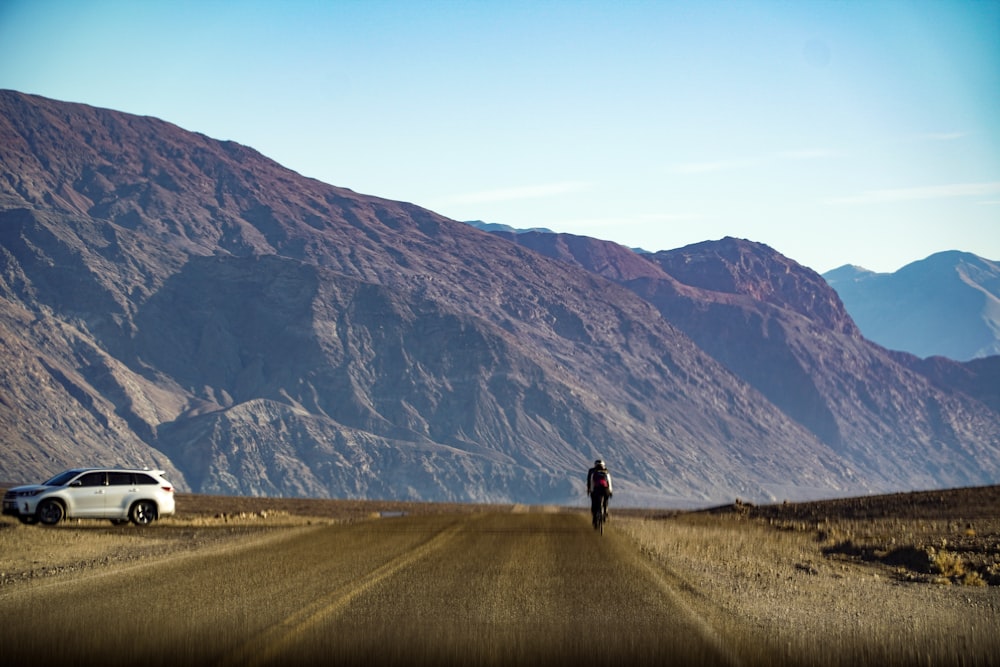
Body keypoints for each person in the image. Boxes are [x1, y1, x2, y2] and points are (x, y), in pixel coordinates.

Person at [586, 459, 613, 527]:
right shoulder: (606, 472)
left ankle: (595, 518)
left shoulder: (592, 472)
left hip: (596, 490)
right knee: (605, 502)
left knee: (594, 504)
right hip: (605, 490)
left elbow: (591, 482)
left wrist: (590, 490)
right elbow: (609, 482)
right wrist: (610, 491)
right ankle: (605, 513)